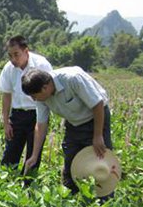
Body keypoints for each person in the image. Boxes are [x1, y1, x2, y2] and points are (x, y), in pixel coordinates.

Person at [21, 66, 113, 197]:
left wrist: (98, 136)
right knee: (71, 162)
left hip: (96, 118)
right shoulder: (42, 97)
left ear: (45, 87)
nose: (34, 100)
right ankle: (71, 201)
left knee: (100, 161)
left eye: (34, 96)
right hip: (73, 123)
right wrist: (34, 155)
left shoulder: (72, 79)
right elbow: (41, 125)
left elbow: (97, 104)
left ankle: (103, 203)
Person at [0, 35, 52, 176]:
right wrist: (6, 122)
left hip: (38, 113)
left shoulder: (42, 65)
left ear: (26, 51)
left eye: (16, 54)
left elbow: (50, 91)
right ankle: (5, 186)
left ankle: (28, 188)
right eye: (10, 55)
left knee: (33, 155)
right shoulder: (9, 68)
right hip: (17, 115)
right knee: (10, 155)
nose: (13, 59)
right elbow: (6, 95)